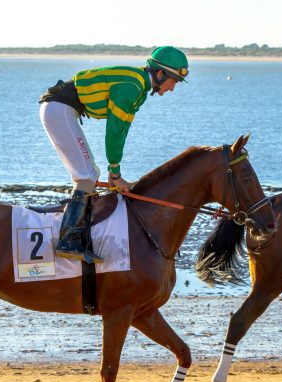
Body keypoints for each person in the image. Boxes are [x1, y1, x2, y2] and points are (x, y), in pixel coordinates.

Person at [39, 46, 189, 260]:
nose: (172, 88)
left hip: (61, 108)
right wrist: (116, 173)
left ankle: (79, 236)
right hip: (60, 110)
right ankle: (69, 240)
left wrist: (114, 171)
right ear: (160, 74)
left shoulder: (139, 88)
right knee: (87, 176)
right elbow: (114, 131)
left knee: (91, 173)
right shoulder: (132, 86)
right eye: (173, 81)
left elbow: (122, 130)